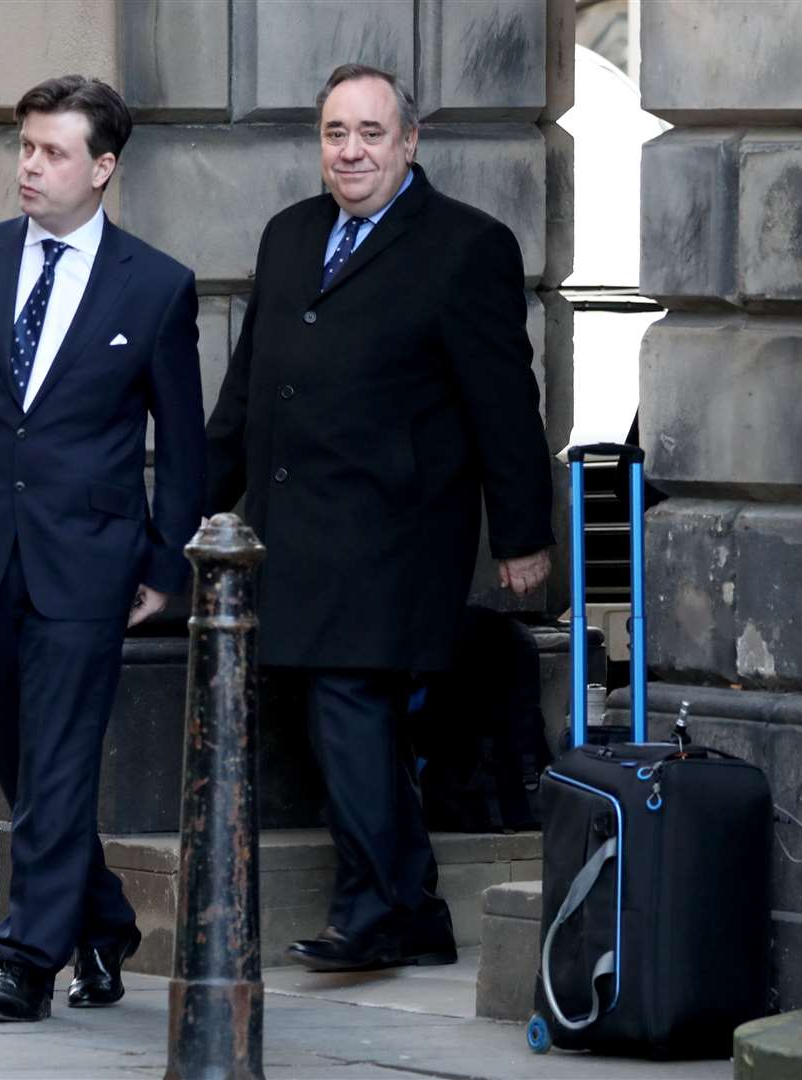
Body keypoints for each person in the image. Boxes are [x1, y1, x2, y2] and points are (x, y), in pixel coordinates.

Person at [204, 63, 555, 973]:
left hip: (396, 534)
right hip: (296, 530)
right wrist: (186, 517)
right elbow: (246, 397)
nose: (350, 150)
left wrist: (523, 537)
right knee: (342, 720)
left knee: (350, 709)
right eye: (334, 133)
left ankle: (373, 908)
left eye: (369, 133)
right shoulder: (290, 236)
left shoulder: (465, 245)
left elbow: (504, 404)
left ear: (409, 142)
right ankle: (412, 907)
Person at [0, 75, 206, 1021]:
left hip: (88, 568)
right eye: (24, 147)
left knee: (61, 761)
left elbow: (181, 446)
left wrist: (165, 565)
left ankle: (26, 959)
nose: (30, 165)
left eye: (52, 152)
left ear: (104, 168)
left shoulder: (156, 285)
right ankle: (103, 923)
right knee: (27, 763)